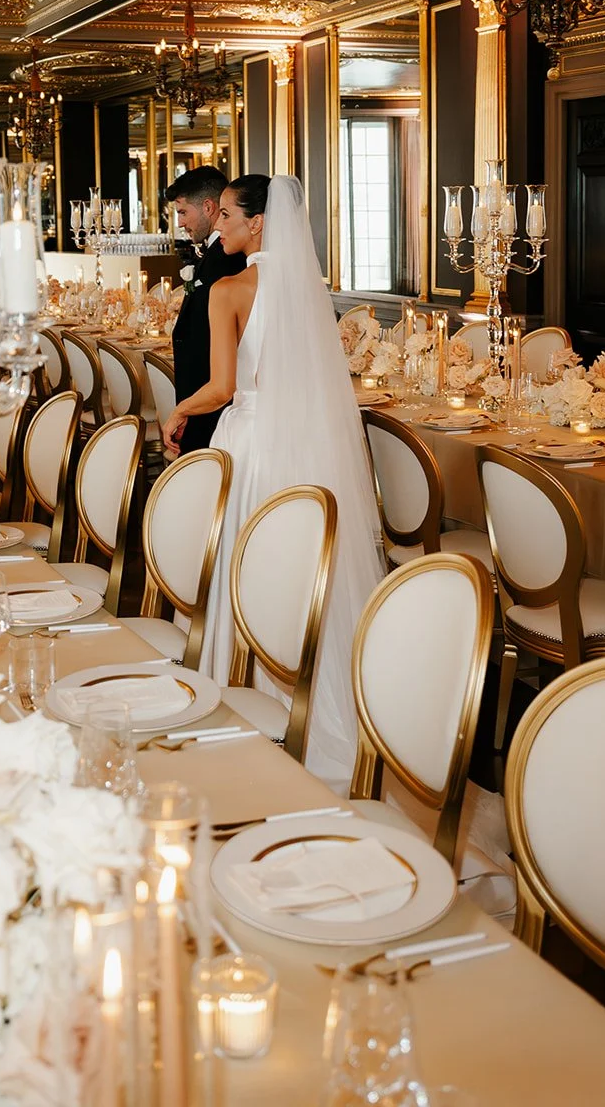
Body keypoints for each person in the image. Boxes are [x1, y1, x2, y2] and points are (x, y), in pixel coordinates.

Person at [161, 173, 384, 788]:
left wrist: (179, 410)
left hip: (252, 441)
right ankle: (315, 694)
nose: (221, 223)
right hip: (302, 446)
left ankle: (242, 693)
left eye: (228, 214)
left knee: (245, 562)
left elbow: (224, 389)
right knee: (301, 565)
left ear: (257, 223)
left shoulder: (229, 289)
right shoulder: (306, 289)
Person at [166, 166, 245, 454]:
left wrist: (191, 409)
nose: (181, 223)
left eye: (183, 212)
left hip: (214, 405)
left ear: (208, 207)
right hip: (203, 399)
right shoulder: (214, 256)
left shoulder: (228, 260)